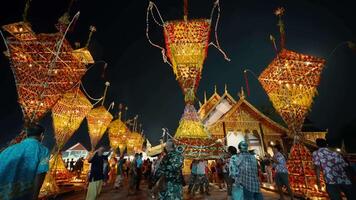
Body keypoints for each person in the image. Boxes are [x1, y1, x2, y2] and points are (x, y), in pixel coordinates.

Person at [0, 123, 50, 200]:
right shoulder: (43, 150)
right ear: (42, 135)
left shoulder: (7, 150)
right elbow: (40, 175)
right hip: (22, 195)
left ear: (27, 135)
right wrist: (35, 196)